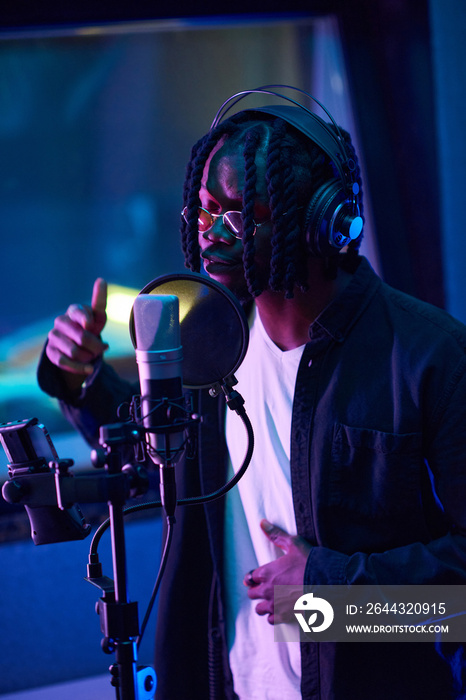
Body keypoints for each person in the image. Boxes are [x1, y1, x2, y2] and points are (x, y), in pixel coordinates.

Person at [38, 89, 466, 699]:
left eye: (236, 216)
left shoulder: (431, 360)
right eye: (204, 211)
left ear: (319, 219)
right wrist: (81, 378)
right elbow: (152, 456)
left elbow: (457, 608)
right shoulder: (203, 345)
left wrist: (332, 596)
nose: (212, 235)